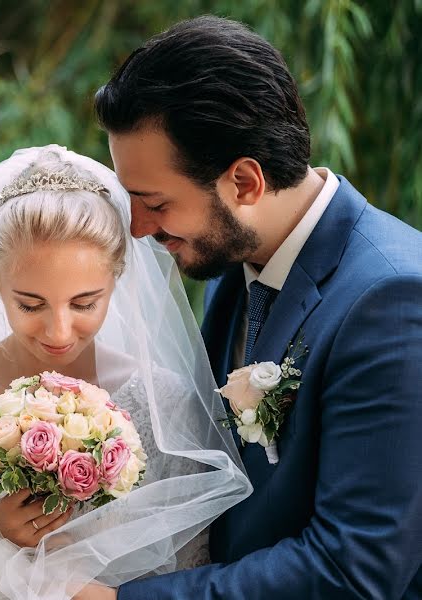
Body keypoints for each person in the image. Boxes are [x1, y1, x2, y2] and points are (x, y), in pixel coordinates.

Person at [87, 14, 422, 600]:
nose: (137, 228)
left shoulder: (391, 301)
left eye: (155, 202)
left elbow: (354, 569)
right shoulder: (235, 262)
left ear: (244, 181)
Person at [0, 146, 251, 599]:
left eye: (85, 303)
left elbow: (196, 579)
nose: (59, 331)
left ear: (118, 278)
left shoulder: (166, 404)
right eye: (30, 304)